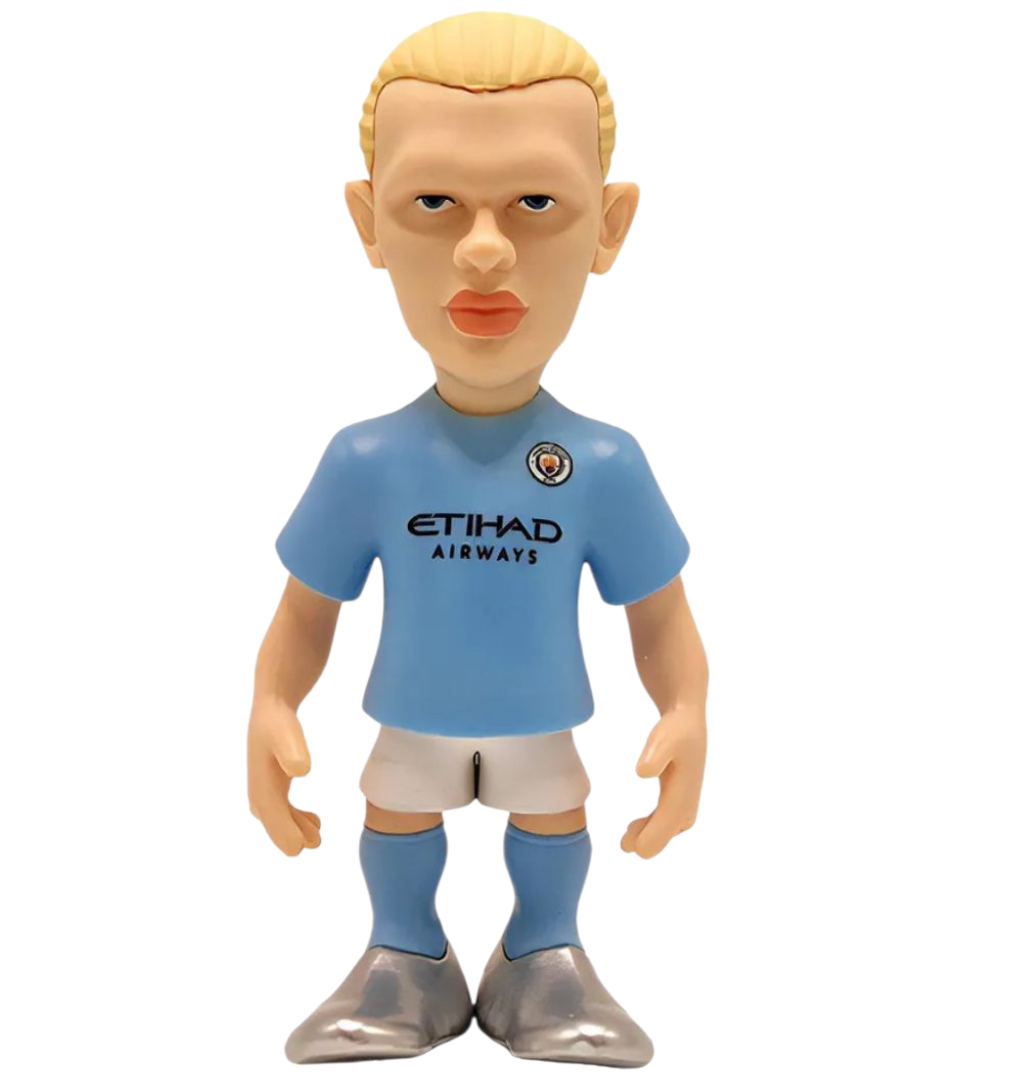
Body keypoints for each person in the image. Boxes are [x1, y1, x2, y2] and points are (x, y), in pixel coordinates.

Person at [247, 11, 709, 1067]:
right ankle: (403, 955)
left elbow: (659, 616)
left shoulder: (605, 465)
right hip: (412, 717)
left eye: (537, 203)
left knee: (551, 819)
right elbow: (307, 611)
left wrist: (687, 711)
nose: (487, 249)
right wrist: (271, 705)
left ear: (610, 226)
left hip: (539, 721)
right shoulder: (366, 460)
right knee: (397, 814)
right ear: (369, 222)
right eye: (434, 204)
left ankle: (544, 954)